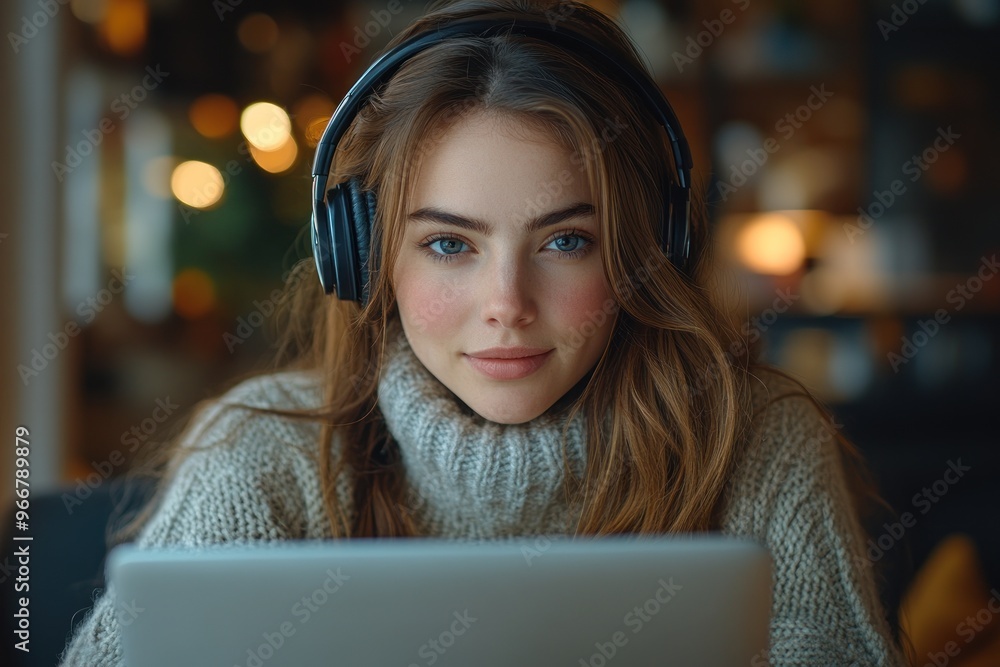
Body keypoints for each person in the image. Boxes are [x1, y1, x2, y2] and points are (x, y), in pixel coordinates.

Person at [58, 0, 911, 664]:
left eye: (566, 240)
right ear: (365, 260)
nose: (507, 301)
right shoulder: (256, 457)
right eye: (449, 244)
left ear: (645, 251)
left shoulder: (757, 445)